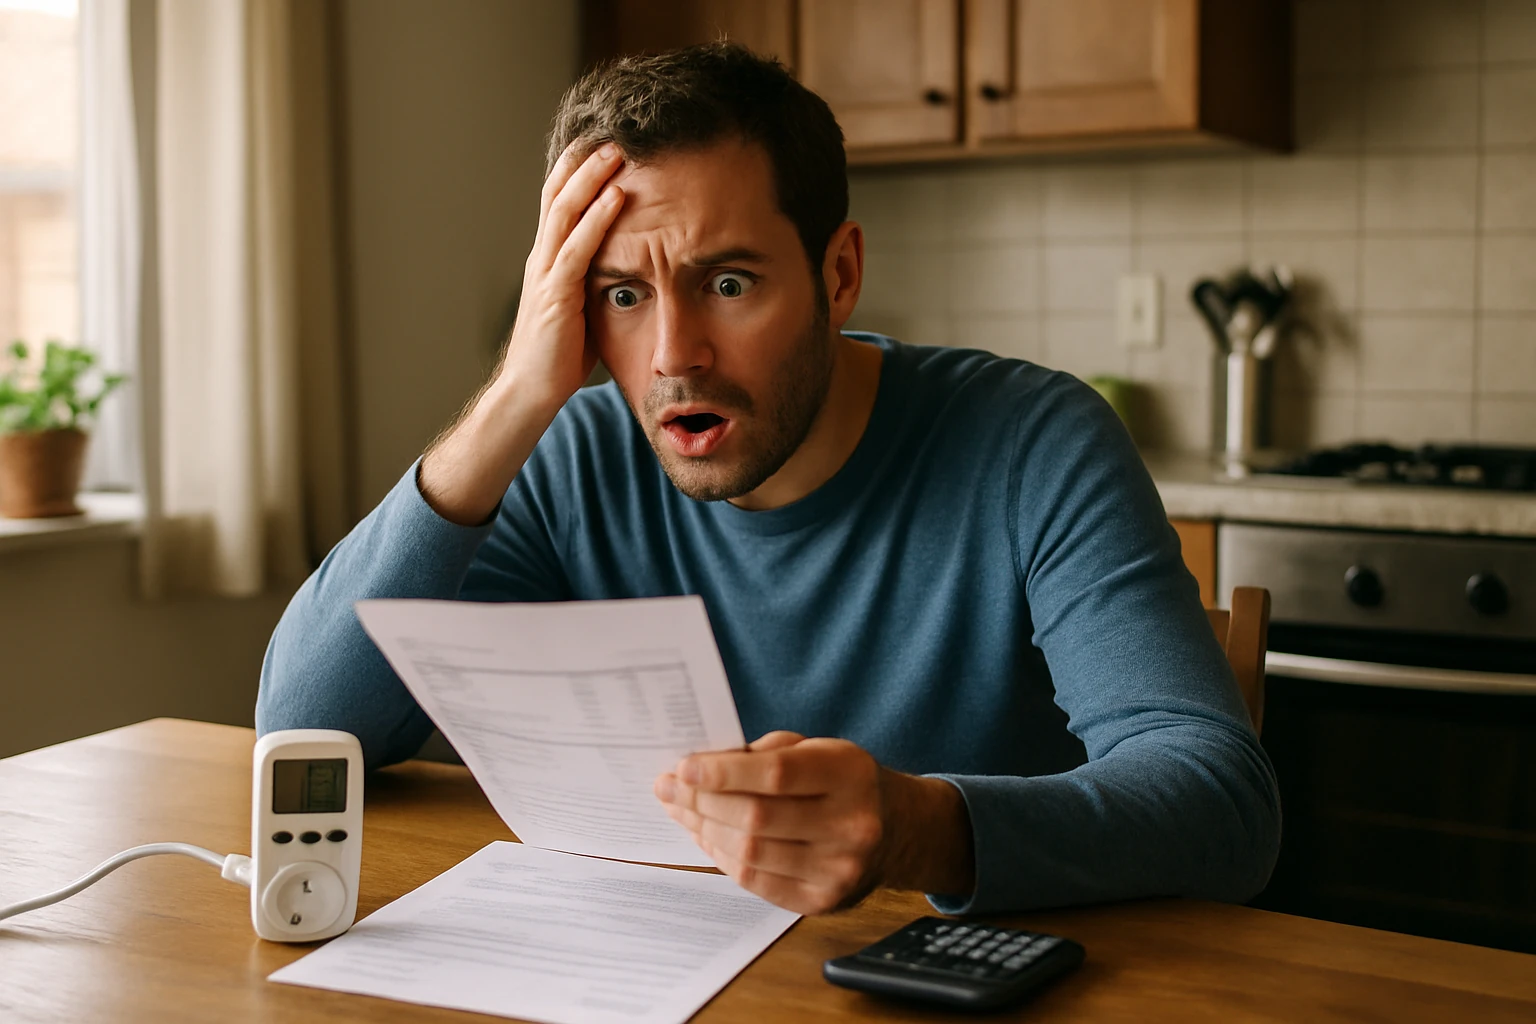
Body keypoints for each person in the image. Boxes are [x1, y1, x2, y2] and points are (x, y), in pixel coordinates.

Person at [256, 42, 1280, 918]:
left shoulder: (1033, 444)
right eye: (621, 295)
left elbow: (1224, 806)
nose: (675, 355)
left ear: (839, 275)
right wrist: (516, 396)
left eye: (728, 282)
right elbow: (303, 732)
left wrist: (921, 829)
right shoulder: (570, 456)